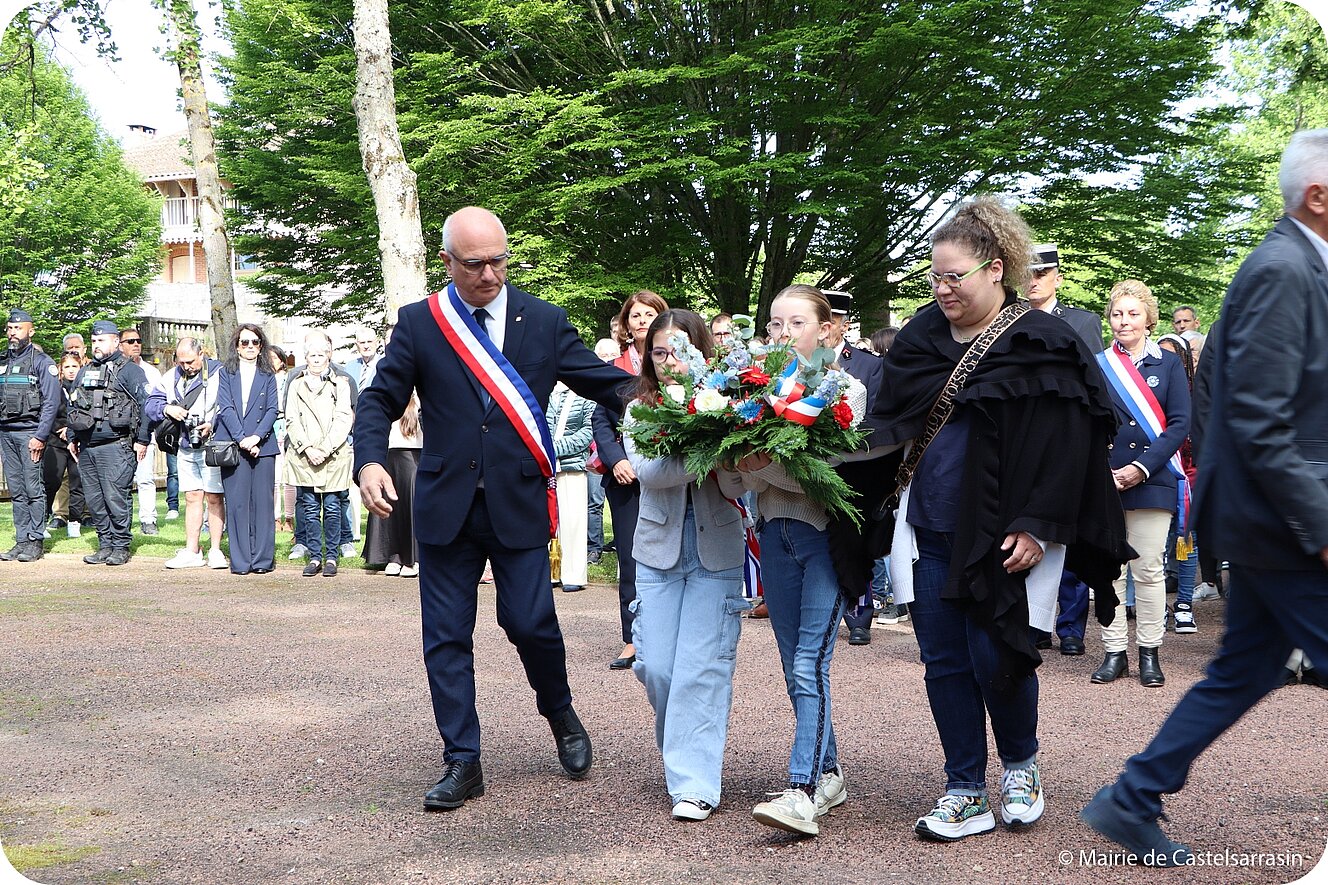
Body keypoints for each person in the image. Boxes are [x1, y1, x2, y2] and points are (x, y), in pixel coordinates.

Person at [1081, 127, 1328, 867]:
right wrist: (1320, 526)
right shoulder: (1286, 269)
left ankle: (1134, 794)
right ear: (1319, 196)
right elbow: (1258, 419)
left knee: (1241, 671)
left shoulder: (1298, 266)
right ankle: (1133, 794)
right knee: (1241, 669)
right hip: (1278, 525)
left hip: (1270, 520)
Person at [353, 206, 630, 811]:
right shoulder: (422, 324)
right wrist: (369, 460)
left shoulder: (544, 321)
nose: (489, 275)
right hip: (446, 505)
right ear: (447, 261)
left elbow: (604, 381)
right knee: (446, 637)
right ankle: (463, 761)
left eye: (498, 261)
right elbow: (378, 401)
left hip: (517, 500)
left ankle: (559, 713)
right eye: (474, 264)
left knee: (530, 622)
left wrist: (682, 392)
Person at [872, 198, 1129, 843]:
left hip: (1006, 532)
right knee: (944, 660)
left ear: (995, 269)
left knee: (998, 654)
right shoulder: (921, 337)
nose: (941, 289)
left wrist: (1039, 525)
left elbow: (1071, 444)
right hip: (930, 524)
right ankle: (964, 787)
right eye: (933, 276)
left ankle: (1020, 768)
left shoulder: (1042, 340)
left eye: (953, 276)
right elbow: (887, 421)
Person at [737, 285, 867, 838]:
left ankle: (803, 790)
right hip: (775, 534)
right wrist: (758, 461)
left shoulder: (846, 389)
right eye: (775, 324)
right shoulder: (755, 388)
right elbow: (739, 470)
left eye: (796, 322)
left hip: (826, 540)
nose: (783, 333)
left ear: (825, 328)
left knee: (811, 662)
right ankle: (830, 771)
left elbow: (823, 473)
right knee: (796, 666)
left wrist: (759, 462)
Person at [624, 309, 749, 822]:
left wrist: (728, 451)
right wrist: (712, 452)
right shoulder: (639, 412)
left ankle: (693, 785)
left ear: (701, 351)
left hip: (716, 552)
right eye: (659, 352)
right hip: (657, 552)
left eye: (679, 350)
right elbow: (653, 473)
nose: (669, 360)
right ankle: (683, 751)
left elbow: (742, 484)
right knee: (657, 666)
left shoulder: (735, 405)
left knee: (703, 669)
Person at [1090, 281, 1190, 688]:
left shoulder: (1167, 365)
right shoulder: (1098, 364)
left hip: (1152, 479)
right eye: (1116, 314)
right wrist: (1102, 470)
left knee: (1148, 569)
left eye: (1132, 314)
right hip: (1106, 479)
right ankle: (1114, 651)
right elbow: (1088, 420)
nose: (1123, 321)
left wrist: (1141, 468)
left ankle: (1149, 651)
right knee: (1109, 569)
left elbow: (1181, 423)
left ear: (1149, 319)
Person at [596, 289, 670, 670]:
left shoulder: (676, 362)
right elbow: (600, 421)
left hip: (672, 476)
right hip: (625, 479)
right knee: (630, 558)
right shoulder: (614, 368)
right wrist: (617, 461)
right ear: (625, 324)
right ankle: (632, 637)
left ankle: (666, 634)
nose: (642, 320)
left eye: (649, 314)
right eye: (635, 315)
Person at [822, 291, 885, 646]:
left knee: (856, 542)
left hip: (855, 470)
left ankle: (860, 610)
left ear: (844, 324)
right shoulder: (797, 362)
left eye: (833, 321)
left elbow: (876, 421)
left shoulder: (868, 365)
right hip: (810, 472)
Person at [67, 321, 152, 566]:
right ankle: (105, 544)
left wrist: (143, 439)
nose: (96, 345)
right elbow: (75, 405)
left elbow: (147, 405)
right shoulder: (85, 371)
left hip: (117, 444)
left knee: (116, 497)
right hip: (87, 447)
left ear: (115, 342)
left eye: (101, 340)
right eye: (93, 341)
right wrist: (73, 437)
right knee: (94, 499)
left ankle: (121, 545)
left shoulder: (129, 370)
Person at [147, 338, 227, 570]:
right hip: (184, 444)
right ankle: (192, 550)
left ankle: (215, 550)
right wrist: (167, 408)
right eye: (181, 362)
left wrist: (212, 423)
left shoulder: (219, 373)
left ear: (202, 354)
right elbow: (151, 404)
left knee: (214, 496)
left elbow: (228, 406)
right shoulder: (171, 376)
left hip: (212, 445)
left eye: (190, 361)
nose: (186, 366)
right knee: (192, 496)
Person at [285, 331, 352, 577]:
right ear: (306, 356)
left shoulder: (341, 384)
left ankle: (332, 556)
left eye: (321, 355)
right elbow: (290, 418)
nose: (316, 359)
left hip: (332, 456)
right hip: (305, 457)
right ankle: (314, 556)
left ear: (329, 355)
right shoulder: (295, 384)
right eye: (312, 355)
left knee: (333, 507)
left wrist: (324, 449)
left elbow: (344, 418)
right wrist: (307, 448)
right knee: (310, 508)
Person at [215, 323, 280, 575]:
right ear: (237, 346)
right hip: (234, 445)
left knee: (263, 504)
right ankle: (241, 561)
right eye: (245, 342)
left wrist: (256, 438)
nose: (250, 347)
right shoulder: (226, 373)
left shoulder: (268, 374)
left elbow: (273, 410)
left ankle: (263, 560)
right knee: (237, 504)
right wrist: (242, 439)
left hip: (262, 446)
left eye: (255, 342)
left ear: (261, 345)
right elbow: (226, 407)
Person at [0, 309, 60, 562]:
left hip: (29, 434)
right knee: (16, 490)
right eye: (10, 329)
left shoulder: (42, 362)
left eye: (19, 328)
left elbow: (51, 402)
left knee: (33, 489)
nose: (13, 333)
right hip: (6, 433)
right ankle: (21, 539)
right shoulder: (2, 360)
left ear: (30, 331)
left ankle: (35, 540)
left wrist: (41, 435)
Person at [363, 387, 422, 578]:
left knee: (410, 507)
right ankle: (393, 556)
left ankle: (413, 558)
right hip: (389, 454)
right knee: (390, 506)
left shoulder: (422, 395)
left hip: (413, 455)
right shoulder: (388, 395)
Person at [547, 382, 595, 593]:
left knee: (573, 521)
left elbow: (587, 432)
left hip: (572, 466)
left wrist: (555, 448)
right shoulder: (545, 390)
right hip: (545, 465)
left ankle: (573, 573)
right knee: (547, 521)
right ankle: (550, 571)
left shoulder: (585, 394)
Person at [119, 328, 163, 536]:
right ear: (120, 345)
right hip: (120, 433)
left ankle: (148, 519)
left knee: (145, 478)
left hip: (145, 432)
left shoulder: (152, 373)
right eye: (130, 341)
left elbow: (156, 404)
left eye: (138, 340)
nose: (135, 344)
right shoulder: (114, 370)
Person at [42, 354, 86, 539]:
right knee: (52, 480)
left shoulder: (86, 389)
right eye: (66, 367)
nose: (70, 370)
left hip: (78, 442)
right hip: (56, 442)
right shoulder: (55, 389)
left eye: (74, 366)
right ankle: (41, 520)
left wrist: (72, 429)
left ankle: (75, 522)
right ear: (61, 370)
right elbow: (48, 412)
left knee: (77, 482)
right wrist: (62, 429)